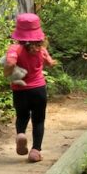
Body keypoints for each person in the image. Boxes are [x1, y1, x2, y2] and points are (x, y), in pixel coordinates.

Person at [3, 12, 56, 164]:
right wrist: (49, 63)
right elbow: (50, 63)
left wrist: (6, 73)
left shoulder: (15, 49)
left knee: (22, 116)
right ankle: (35, 151)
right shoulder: (41, 50)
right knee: (38, 120)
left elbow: (11, 63)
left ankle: (20, 134)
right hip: (38, 89)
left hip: (20, 90)